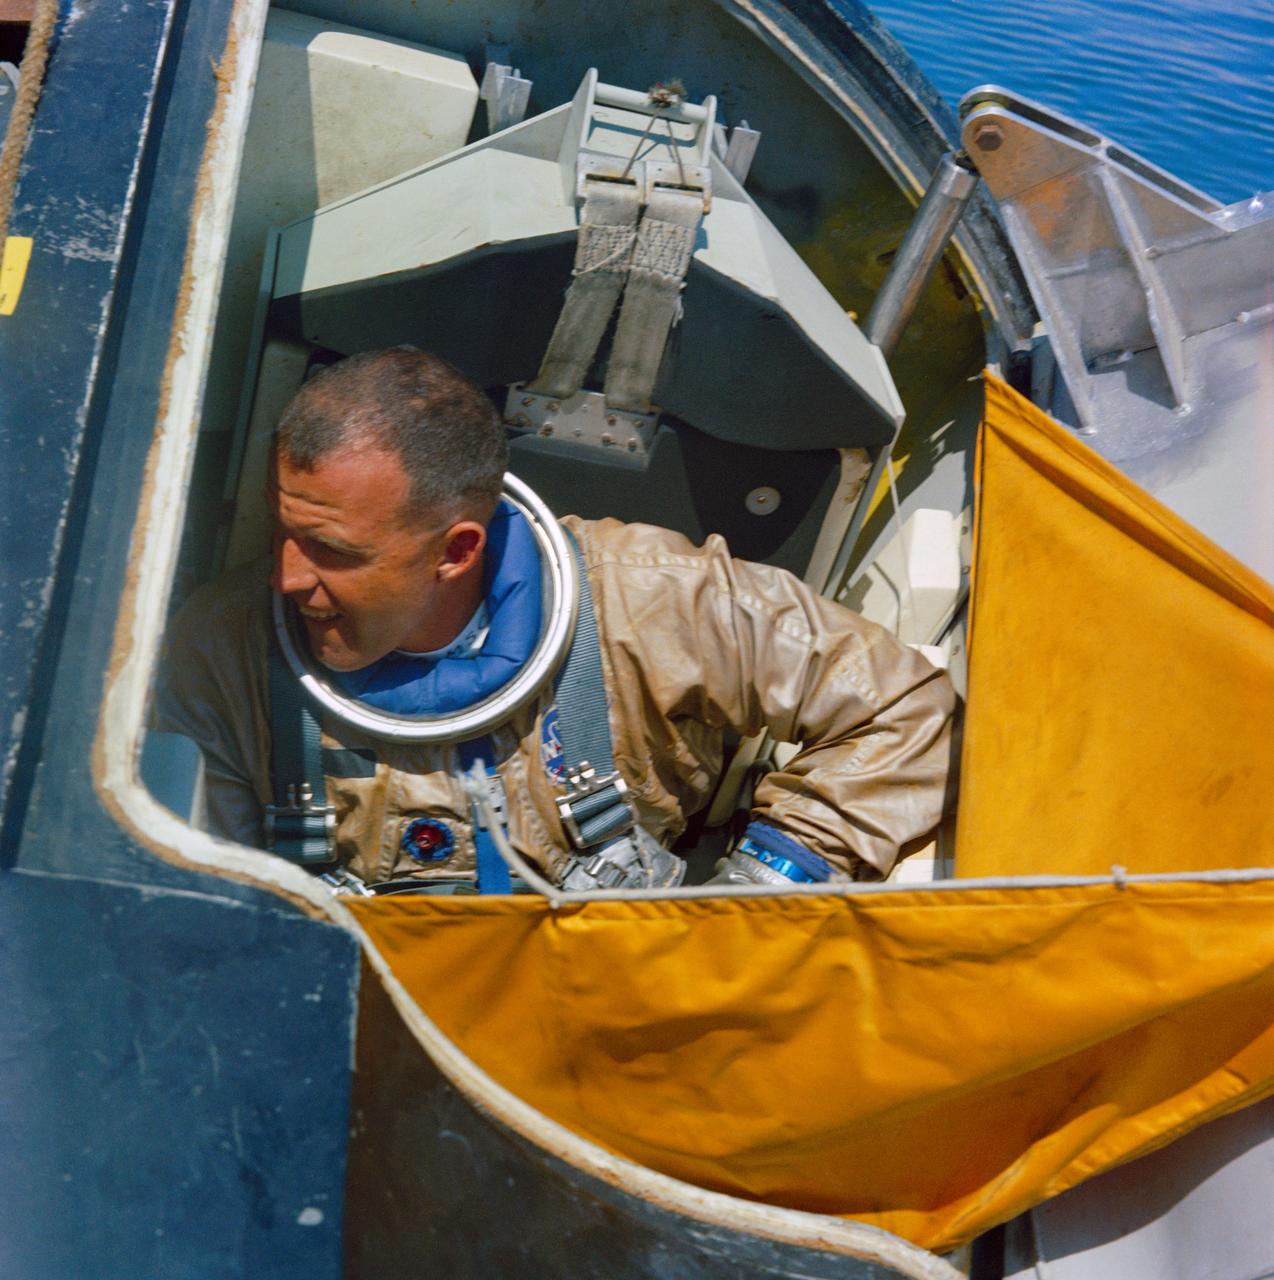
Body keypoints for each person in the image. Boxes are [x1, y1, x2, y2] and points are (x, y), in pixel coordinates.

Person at [155, 347, 955, 891]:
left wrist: (760, 888)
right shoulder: (222, 650)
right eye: (283, 533)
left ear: (456, 552)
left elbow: (906, 706)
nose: (288, 578)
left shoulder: (653, 599)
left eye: (333, 551)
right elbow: (187, 891)